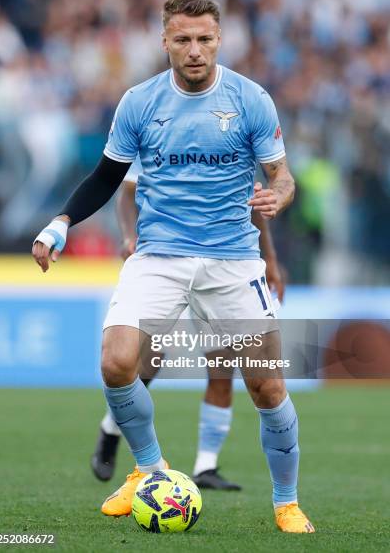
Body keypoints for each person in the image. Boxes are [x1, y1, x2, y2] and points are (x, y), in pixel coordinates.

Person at [32, 0, 314, 533]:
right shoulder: (139, 103)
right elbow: (107, 179)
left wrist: (280, 193)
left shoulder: (251, 99)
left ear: (219, 40)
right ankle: (148, 469)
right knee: (117, 362)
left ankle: (286, 501)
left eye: (204, 39)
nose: (194, 51)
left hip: (232, 260)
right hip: (158, 255)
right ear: (164, 41)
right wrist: (61, 222)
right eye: (182, 40)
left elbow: (282, 175)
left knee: (267, 388)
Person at [91, 157, 286, 491]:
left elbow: (253, 205)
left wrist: (269, 259)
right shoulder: (163, 125)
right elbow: (126, 193)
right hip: (166, 259)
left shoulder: (234, 137)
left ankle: (206, 466)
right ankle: (112, 428)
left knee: (223, 365)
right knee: (148, 358)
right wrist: (128, 237)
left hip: (223, 263)